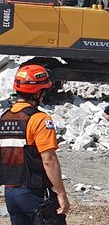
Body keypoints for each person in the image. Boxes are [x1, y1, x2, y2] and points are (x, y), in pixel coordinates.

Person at [0, 64, 70, 224]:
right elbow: (49, 160)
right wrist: (61, 194)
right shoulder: (39, 120)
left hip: (10, 193)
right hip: (34, 192)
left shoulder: (4, 118)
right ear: (38, 92)